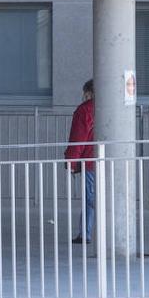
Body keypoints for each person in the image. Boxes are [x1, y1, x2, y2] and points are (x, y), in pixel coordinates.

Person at [65, 79, 96, 244]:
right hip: (111, 161)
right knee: (92, 199)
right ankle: (85, 232)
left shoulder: (85, 110)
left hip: (90, 162)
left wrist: (71, 161)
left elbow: (78, 138)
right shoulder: (113, 108)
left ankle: (86, 233)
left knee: (91, 199)